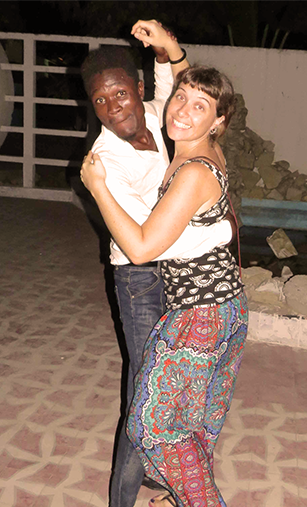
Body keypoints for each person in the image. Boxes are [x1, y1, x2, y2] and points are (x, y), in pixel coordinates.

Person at [79, 20, 233, 507]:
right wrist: (99, 188)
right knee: (145, 395)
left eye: (119, 93)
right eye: (100, 101)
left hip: (188, 284)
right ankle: (122, 499)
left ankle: (173, 480)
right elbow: (141, 244)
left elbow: (188, 90)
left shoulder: (162, 115)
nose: (113, 107)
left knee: (182, 395)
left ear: (139, 89)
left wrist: (172, 47)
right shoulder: (107, 158)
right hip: (141, 277)